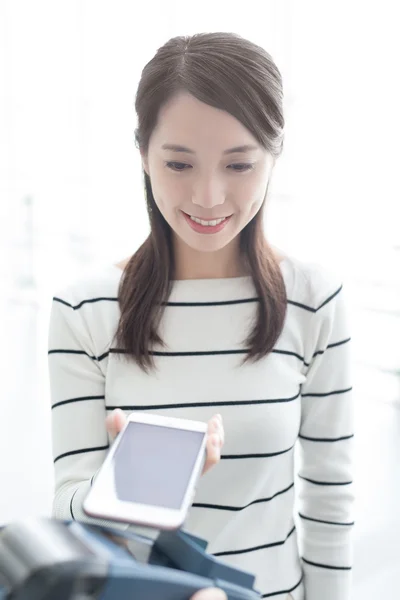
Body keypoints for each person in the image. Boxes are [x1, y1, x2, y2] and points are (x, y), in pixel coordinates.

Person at [48, 32, 354, 600]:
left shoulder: (314, 298)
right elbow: (69, 511)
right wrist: (141, 483)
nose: (209, 196)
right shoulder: (85, 309)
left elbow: (330, 495)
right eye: (179, 164)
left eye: (239, 165)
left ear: (273, 155)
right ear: (143, 154)